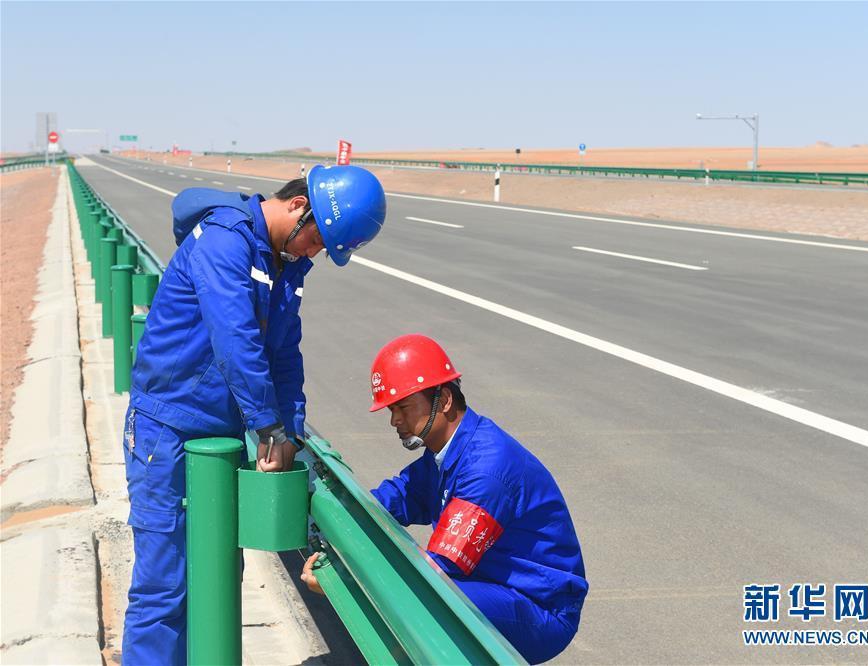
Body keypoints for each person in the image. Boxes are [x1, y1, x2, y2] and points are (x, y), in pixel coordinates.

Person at [122, 165, 387, 665]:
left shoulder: (283, 264)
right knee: (164, 586)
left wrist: (292, 430)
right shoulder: (226, 241)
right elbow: (235, 338)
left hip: (218, 441)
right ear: (297, 206)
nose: (315, 254)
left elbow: (284, 354)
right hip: (167, 429)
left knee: (216, 577)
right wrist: (267, 425)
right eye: (318, 241)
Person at [301, 334, 588, 664]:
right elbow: (395, 498)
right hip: (491, 584)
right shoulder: (448, 452)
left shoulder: (486, 470)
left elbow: (435, 575)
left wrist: (345, 582)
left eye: (403, 407)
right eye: (392, 410)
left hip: (539, 606)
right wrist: (339, 521)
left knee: (423, 607)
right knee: (416, 602)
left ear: (445, 400)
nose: (395, 420)